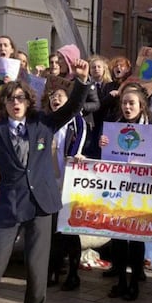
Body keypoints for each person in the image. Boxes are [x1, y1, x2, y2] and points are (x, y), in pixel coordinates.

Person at [0, 58, 90, 303]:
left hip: (41, 205)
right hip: (9, 204)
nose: (16, 103)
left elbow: (71, 108)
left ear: (28, 101)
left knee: (35, 265)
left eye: (20, 98)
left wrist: (81, 81)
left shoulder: (43, 123)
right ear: (4, 105)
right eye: (10, 99)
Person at [98, 84, 152, 300]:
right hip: (118, 187)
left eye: (131, 103)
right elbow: (99, 152)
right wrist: (101, 143)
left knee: (135, 234)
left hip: (141, 186)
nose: (127, 107)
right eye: (124, 103)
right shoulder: (114, 123)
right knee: (117, 233)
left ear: (141, 105)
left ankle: (135, 278)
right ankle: (120, 279)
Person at [45, 87, 86, 291]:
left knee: (70, 230)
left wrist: (78, 155)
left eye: (60, 96)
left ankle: (73, 273)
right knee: (53, 230)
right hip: (49, 183)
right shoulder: (47, 121)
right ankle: (53, 269)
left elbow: (80, 145)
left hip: (70, 184)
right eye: (53, 96)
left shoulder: (77, 122)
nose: (56, 99)